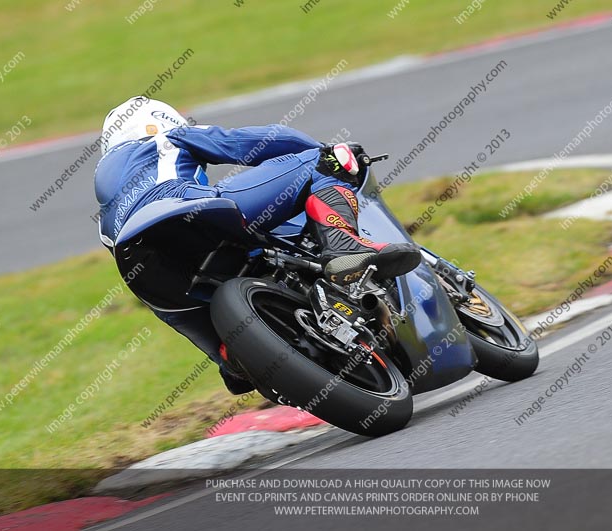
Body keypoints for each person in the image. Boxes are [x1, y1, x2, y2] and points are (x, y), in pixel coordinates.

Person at [93, 96, 420, 394]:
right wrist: (326, 150)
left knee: (232, 361)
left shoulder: (105, 216)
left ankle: (238, 361)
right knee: (318, 164)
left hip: (148, 274)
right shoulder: (163, 138)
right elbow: (244, 144)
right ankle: (343, 244)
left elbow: (154, 295)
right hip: (189, 212)